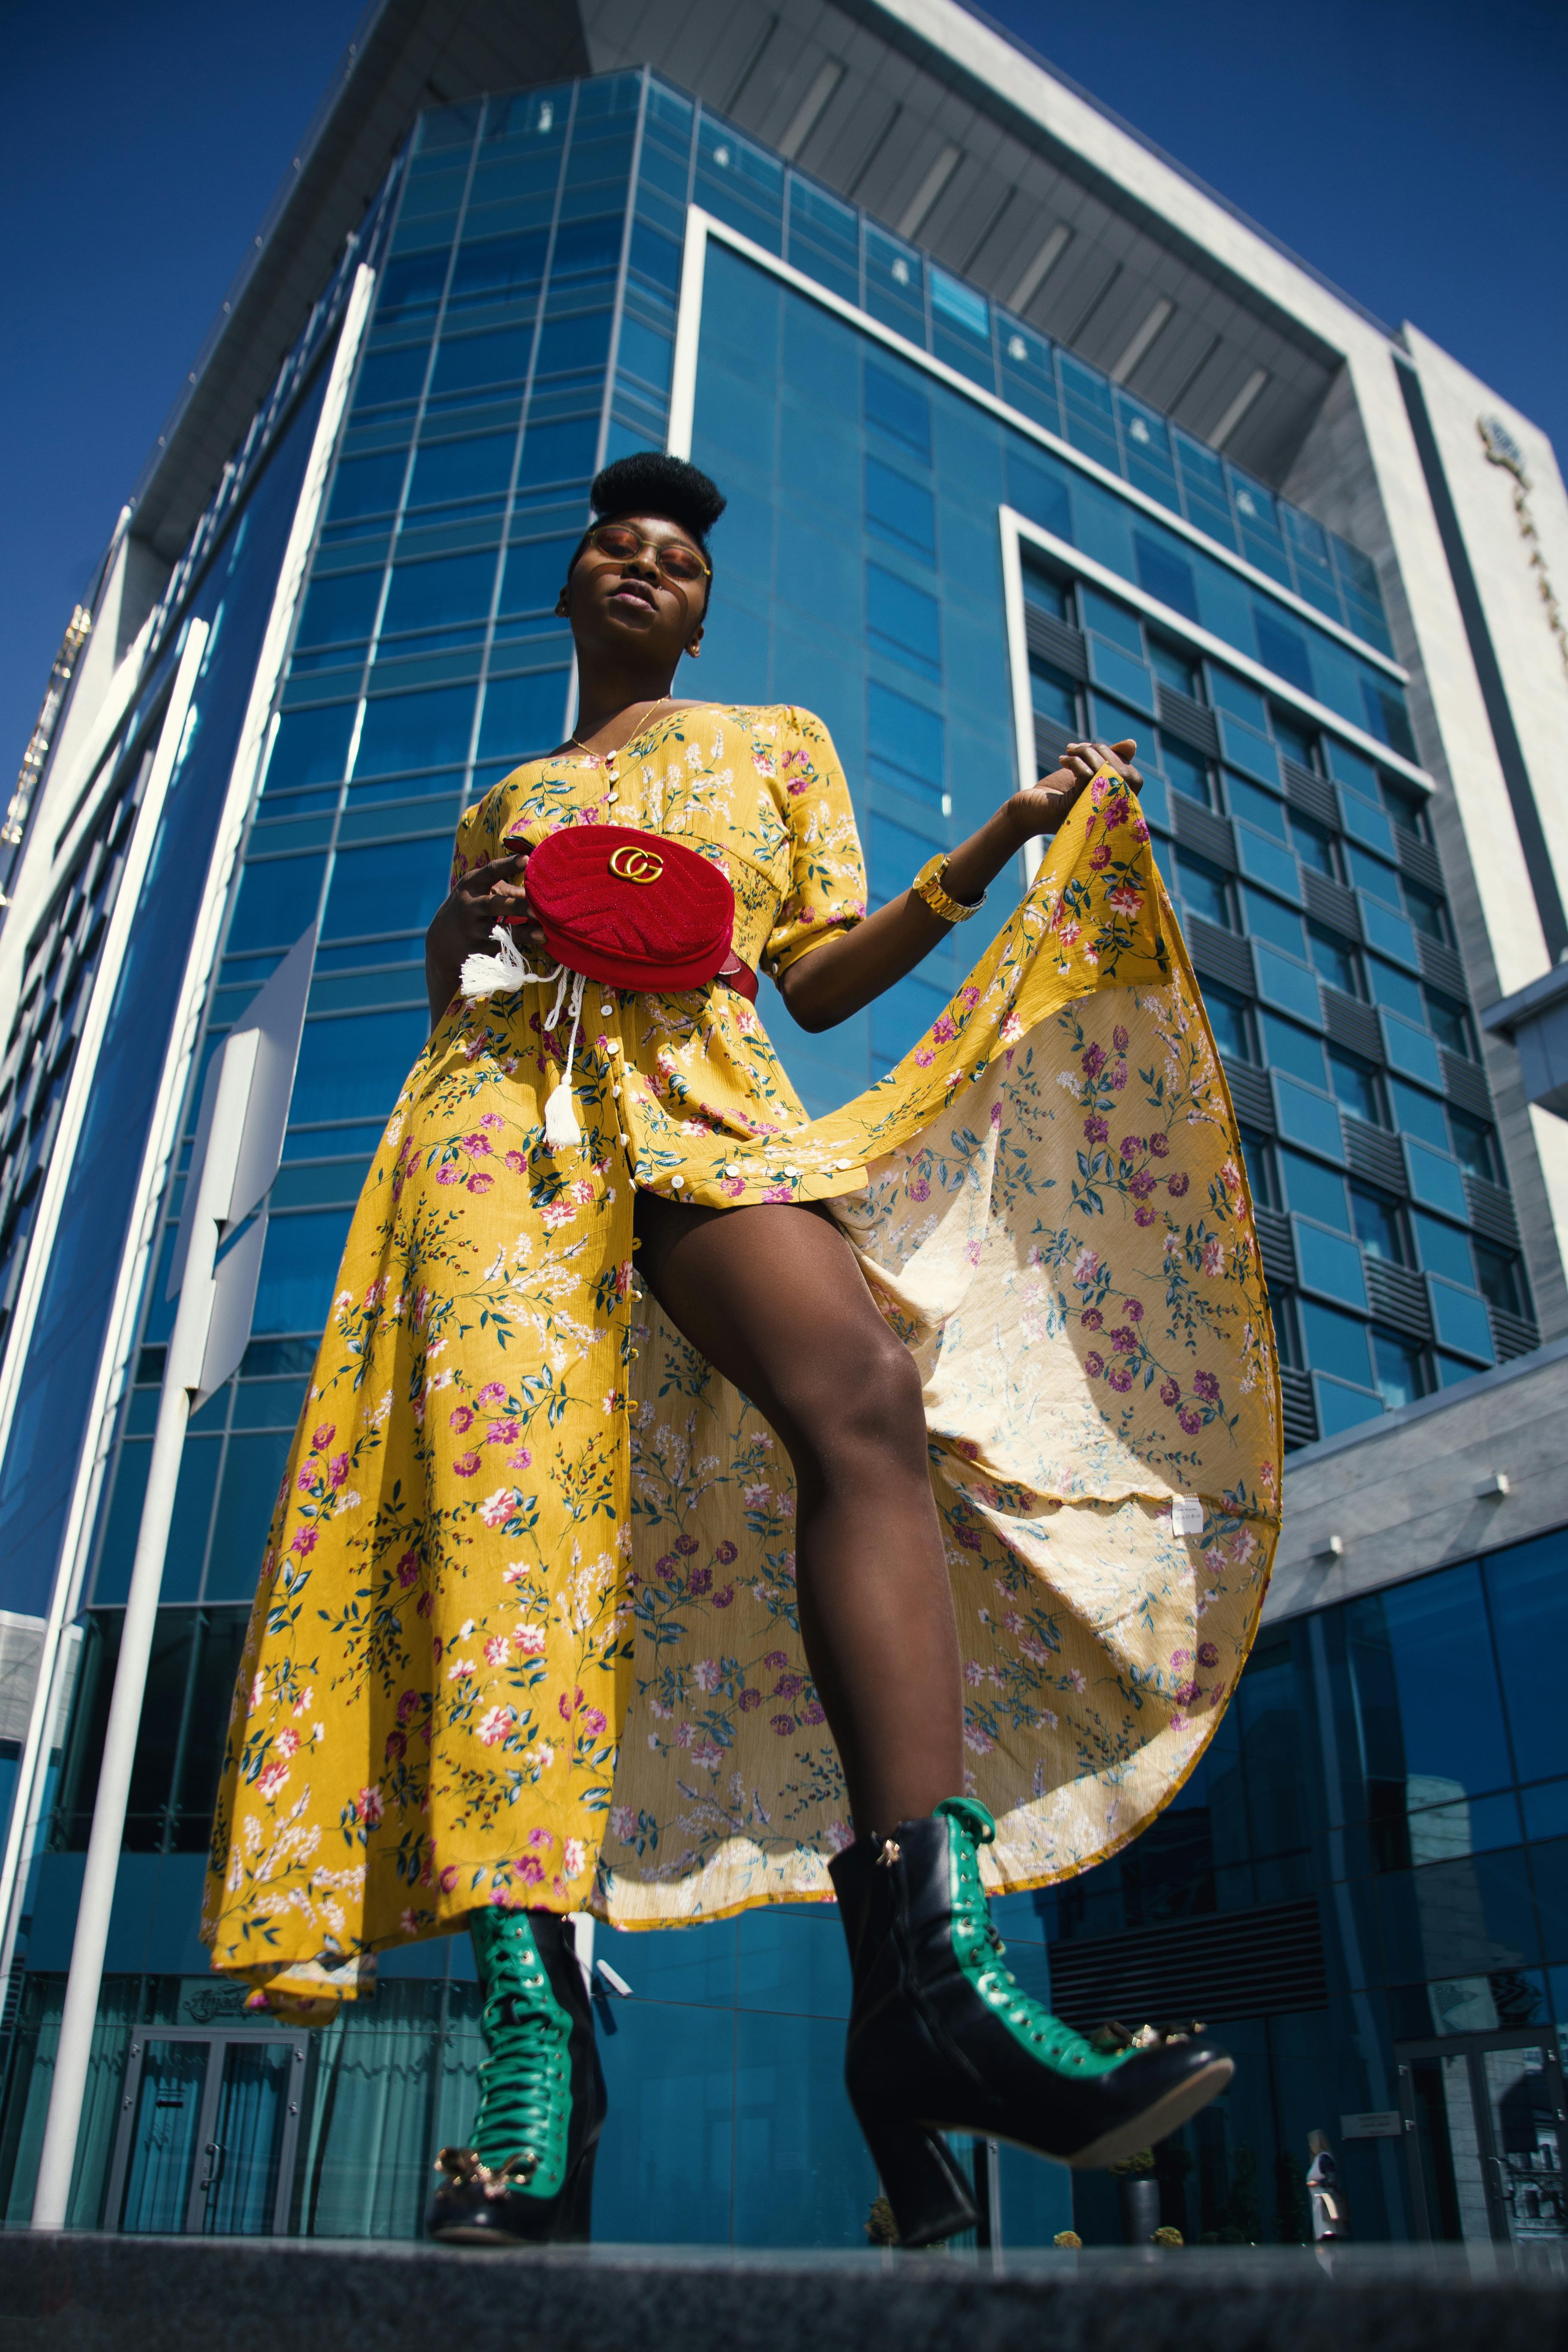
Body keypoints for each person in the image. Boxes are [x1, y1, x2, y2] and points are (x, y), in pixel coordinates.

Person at [204, 452, 1280, 2248]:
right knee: (506, 1556)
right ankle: (537, 2085)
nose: (644, 566)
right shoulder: (512, 794)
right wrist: (446, 940)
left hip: (699, 1099)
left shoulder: (775, 744)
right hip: (496, 1129)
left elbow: (821, 976)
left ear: (704, 610)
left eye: (676, 561)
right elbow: (466, 1000)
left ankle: (929, 1996)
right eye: (613, 551)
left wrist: (1006, 845)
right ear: (574, 595)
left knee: (863, 1389)